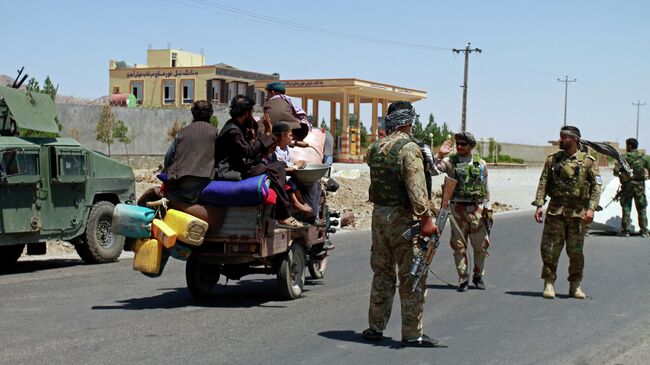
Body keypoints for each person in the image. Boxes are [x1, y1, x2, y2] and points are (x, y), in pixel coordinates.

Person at [361, 101, 440, 348]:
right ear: (409, 121)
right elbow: (416, 189)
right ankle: (412, 333)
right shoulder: (409, 149)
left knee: (382, 273)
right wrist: (427, 218)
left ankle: (375, 327)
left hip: (379, 217)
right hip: (404, 219)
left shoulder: (374, 148)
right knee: (412, 275)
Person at [532, 126, 602, 300]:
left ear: (574, 140)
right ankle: (549, 282)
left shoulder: (588, 161)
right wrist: (539, 205)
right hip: (556, 212)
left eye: (564, 137)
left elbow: (596, 187)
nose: (560, 140)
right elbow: (543, 183)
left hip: (578, 214)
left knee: (575, 252)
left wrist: (591, 209)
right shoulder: (552, 160)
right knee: (549, 250)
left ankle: (575, 285)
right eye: (560, 137)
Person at [215, 95, 301, 227]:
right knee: (276, 169)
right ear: (248, 112)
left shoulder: (238, 126)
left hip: (241, 165)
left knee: (279, 165)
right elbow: (249, 152)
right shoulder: (233, 131)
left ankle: (284, 211)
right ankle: (283, 214)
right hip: (232, 170)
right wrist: (267, 135)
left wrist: (261, 129)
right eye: (252, 111)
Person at [433, 132, 492, 292]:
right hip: (456, 208)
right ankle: (463, 278)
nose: (459, 147)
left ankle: (478, 276)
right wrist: (439, 154)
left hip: (477, 208)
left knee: (481, 246)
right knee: (459, 246)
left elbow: (486, 188)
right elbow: (431, 170)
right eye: (457, 144)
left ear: (471, 146)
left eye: (463, 144)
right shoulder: (449, 162)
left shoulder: (481, 164)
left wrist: (489, 208)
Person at [163, 100, 218, 204]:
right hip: (204, 180)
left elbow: (168, 157)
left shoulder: (182, 132)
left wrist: (166, 172)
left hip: (180, 181)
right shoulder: (214, 133)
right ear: (211, 114)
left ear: (193, 114)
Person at [271, 122, 313, 217]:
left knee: (296, 181)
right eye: (290, 135)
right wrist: (296, 166)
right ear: (282, 137)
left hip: (286, 173)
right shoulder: (275, 150)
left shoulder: (286, 147)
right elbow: (281, 168)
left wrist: (297, 164)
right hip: (277, 175)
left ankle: (302, 203)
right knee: (288, 180)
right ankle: (296, 203)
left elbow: (303, 144)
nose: (292, 137)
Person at [613, 138, 650, 237]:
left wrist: (622, 174)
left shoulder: (623, 158)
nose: (625, 147)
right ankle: (644, 231)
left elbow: (615, 172)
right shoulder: (644, 157)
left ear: (629, 146)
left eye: (626, 145)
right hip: (640, 187)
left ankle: (625, 231)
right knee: (641, 208)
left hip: (627, 186)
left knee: (626, 207)